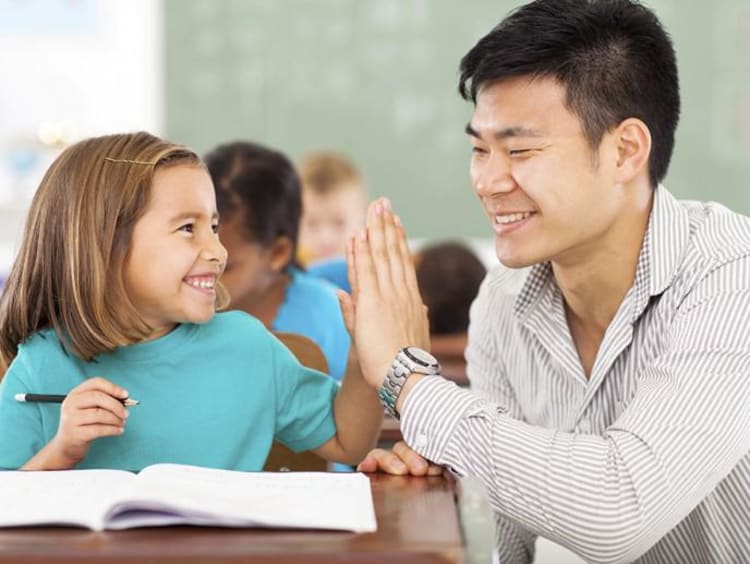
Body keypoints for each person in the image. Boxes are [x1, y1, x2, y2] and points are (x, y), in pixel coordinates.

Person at [343, 1, 750, 563]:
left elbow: (617, 511)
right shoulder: (503, 302)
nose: (487, 181)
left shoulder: (733, 276)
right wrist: (443, 468)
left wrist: (408, 382)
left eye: (521, 150)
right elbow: (515, 546)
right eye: (479, 149)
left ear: (625, 150)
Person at [0, 132, 382, 472]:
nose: (217, 250)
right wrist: (61, 453)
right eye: (187, 228)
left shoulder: (246, 346)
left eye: (213, 227)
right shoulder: (39, 364)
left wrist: (363, 355)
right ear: (105, 246)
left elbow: (348, 441)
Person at [204, 141, 351, 382]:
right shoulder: (180, 310)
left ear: (277, 253)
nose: (202, 275)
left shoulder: (331, 321)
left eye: (224, 267)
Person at [297, 151, 367, 293]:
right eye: (312, 224)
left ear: (364, 217)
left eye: (339, 223)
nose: (326, 239)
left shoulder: (373, 276)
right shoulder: (284, 276)